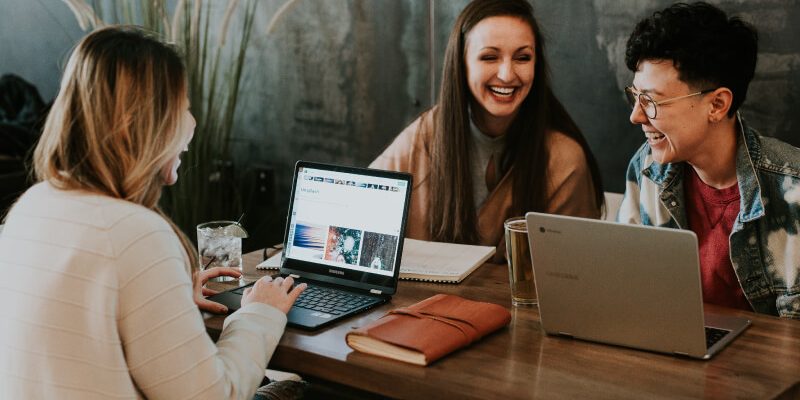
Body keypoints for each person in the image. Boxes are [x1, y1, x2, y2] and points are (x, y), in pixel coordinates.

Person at [0, 26, 307, 398]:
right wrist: (259, 312)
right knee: (299, 389)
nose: (192, 124)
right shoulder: (135, 232)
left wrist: (167, 294)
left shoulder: (30, 207)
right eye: (183, 108)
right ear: (141, 122)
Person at [370, 0, 603, 258]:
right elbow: (360, 210)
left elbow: (574, 267)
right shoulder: (426, 134)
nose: (507, 74)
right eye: (489, 57)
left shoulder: (564, 159)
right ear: (461, 63)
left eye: (522, 58)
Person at [617, 2, 800, 318]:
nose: (636, 116)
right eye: (635, 96)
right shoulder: (647, 168)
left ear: (716, 105)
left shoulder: (793, 189)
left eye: (651, 101)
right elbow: (627, 289)